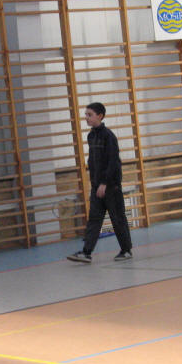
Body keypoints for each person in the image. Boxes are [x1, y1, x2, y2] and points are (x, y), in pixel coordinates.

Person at [67, 102, 133, 264]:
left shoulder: (108, 136)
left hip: (111, 186)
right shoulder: (91, 136)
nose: (86, 118)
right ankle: (86, 252)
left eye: (89, 115)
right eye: (86, 115)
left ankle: (126, 250)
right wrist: (95, 183)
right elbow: (93, 161)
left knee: (118, 218)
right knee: (94, 219)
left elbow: (113, 162)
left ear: (100, 116)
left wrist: (105, 183)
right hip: (97, 186)